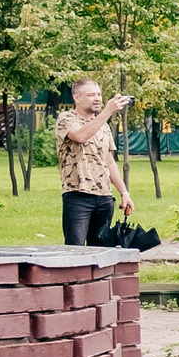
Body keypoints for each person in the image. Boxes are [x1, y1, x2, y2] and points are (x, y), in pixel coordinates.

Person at [56, 79, 133, 246]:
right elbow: (80, 136)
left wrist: (124, 193)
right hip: (78, 195)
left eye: (99, 94)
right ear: (77, 98)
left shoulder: (103, 125)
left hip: (104, 197)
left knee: (101, 251)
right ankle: (76, 274)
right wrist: (108, 111)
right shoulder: (66, 118)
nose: (97, 98)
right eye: (91, 95)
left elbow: (109, 161)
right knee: (75, 250)